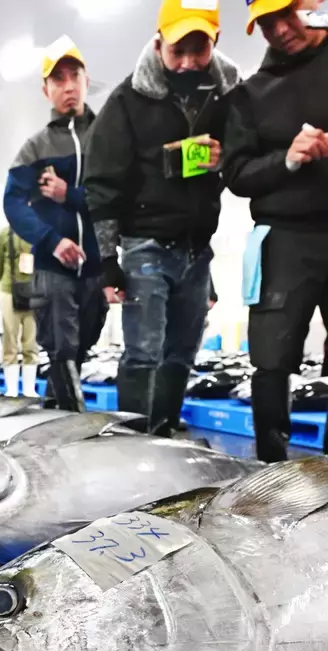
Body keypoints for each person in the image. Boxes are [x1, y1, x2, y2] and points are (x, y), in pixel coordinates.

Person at [83, 0, 239, 435]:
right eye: (177, 51)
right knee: (144, 353)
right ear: (157, 43)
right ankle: (135, 444)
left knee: (181, 353)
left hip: (196, 250)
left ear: (216, 42)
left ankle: (165, 430)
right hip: (144, 247)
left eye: (199, 49)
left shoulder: (229, 97)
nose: (188, 63)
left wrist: (225, 159)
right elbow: (101, 186)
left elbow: (246, 160)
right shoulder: (126, 101)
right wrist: (107, 260)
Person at [222, 0, 328, 461]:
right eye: (266, 21)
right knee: (270, 360)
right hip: (282, 237)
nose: (280, 29)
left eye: (289, 12)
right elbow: (237, 173)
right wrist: (286, 159)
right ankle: (269, 470)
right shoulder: (251, 94)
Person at [3, 36, 107, 412]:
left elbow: (118, 195)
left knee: (82, 345)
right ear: (45, 89)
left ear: (85, 79)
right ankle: (72, 424)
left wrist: (71, 196)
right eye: (58, 79)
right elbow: (12, 203)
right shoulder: (35, 148)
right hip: (52, 266)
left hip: (95, 264)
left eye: (74, 76)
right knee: (61, 348)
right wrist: (51, 240)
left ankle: (52, 417)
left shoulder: (106, 136)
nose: (68, 86)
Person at [0, 225, 39, 397]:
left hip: (35, 293)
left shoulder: (40, 230)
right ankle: (11, 389)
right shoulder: (5, 233)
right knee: (9, 340)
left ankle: (29, 389)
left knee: (31, 342)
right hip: (8, 292)